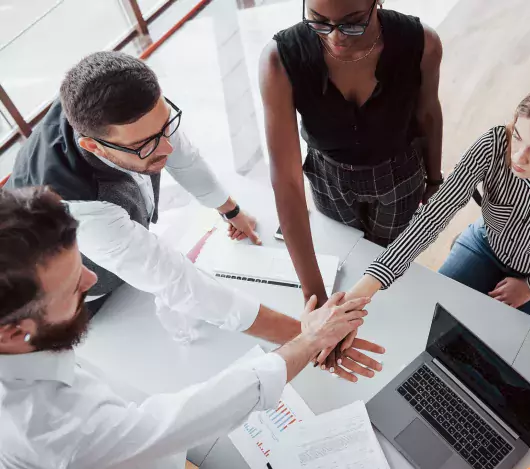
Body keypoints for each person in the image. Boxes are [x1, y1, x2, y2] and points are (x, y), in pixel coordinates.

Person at [6, 51, 383, 381]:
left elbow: (182, 154)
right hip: (86, 291)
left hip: (124, 244)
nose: (166, 146)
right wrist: (306, 337)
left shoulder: (99, 105)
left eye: (166, 123)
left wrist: (229, 208)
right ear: (92, 145)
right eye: (147, 144)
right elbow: (181, 284)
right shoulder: (82, 212)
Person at [0, 186, 372, 468]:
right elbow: (175, 424)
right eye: (70, 286)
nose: (92, 279)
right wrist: (308, 341)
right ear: (14, 332)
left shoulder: (24, 334)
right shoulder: (48, 430)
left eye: (81, 263)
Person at [348, 77, 530, 328]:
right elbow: (434, 215)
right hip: (485, 245)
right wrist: (367, 286)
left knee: (498, 359)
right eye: (519, 137)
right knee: (426, 320)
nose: (517, 158)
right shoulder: (495, 144)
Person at [259, 0, 443, 306]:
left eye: (353, 22)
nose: (335, 37)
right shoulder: (279, 60)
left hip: (400, 174)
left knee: (388, 268)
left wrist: (435, 179)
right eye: (317, 21)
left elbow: (428, 114)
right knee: (344, 258)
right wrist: (315, 297)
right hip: (327, 178)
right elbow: (287, 182)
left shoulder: (422, 44)